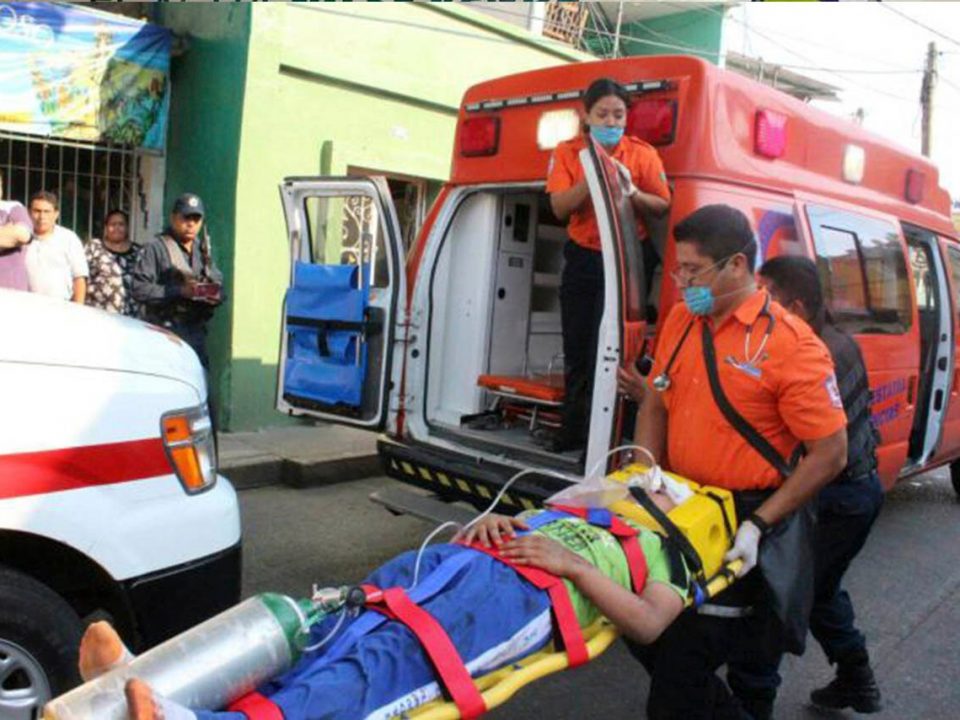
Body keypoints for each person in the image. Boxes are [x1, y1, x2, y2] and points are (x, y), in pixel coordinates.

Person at [74, 491, 691, 720]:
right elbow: (521, 512)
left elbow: (649, 622)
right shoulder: (594, 500)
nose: (662, 491)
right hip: (459, 566)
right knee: (332, 620)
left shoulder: (673, 555)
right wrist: (492, 521)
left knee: (385, 662)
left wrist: (574, 566)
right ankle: (154, 683)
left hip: (522, 602)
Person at [631, 204, 848, 719]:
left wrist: (758, 524)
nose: (682, 281)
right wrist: (641, 472)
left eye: (692, 270)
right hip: (679, 512)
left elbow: (831, 452)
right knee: (643, 631)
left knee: (679, 679)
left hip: (740, 522)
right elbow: (656, 400)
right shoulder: (684, 321)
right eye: (677, 268)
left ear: (736, 265)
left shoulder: (791, 344)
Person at [725, 255, 883, 718]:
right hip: (850, 493)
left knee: (778, 595)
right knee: (817, 590)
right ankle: (857, 679)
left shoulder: (813, 351)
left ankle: (753, 699)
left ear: (794, 304)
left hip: (837, 497)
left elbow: (790, 439)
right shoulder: (829, 340)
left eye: (766, 295)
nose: (756, 305)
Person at [545, 77, 671, 453]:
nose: (612, 121)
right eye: (603, 114)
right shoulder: (568, 152)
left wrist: (631, 191)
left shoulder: (642, 153)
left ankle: (610, 435)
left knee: (615, 350)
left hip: (629, 259)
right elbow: (558, 208)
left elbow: (662, 204)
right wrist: (596, 174)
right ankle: (574, 430)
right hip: (585, 258)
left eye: (619, 114)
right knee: (579, 346)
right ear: (587, 116)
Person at [132, 193, 224, 367]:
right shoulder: (156, 248)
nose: (191, 224)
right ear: (173, 218)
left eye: (196, 219)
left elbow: (218, 283)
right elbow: (139, 289)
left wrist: (214, 295)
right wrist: (179, 291)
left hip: (195, 331)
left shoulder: (203, 250)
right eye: (185, 218)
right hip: (164, 330)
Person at [24, 190, 88, 303]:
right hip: (25, 306)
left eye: (47, 211)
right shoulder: (21, 237)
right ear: (29, 212)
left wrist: (78, 312)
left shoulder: (69, 239)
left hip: (60, 308)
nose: (41, 216)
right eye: (37, 211)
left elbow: (79, 278)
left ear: (56, 214)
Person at [85, 209, 143, 317]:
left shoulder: (138, 252)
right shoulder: (94, 247)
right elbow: (82, 277)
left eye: (121, 224)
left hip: (129, 315)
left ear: (127, 228)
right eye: (112, 224)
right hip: (97, 312)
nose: (116, 228)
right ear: (106, 228)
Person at [0, 169, 33, 291]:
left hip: (11, 293)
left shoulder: (12, 207)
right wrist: (6, 232)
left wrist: (13, 234)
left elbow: (22, 235)